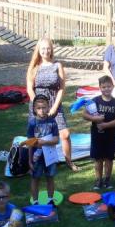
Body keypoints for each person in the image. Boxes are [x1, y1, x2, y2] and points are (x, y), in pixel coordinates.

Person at [27, 37, 79, 171]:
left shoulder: (57, 65)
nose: (46, 51)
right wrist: (38, 107)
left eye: (48, 48)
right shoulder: (34, 67)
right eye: (43, 48)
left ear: (51, 49)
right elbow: (29, 88)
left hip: (54, 101)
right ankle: (33, 162)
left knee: (65, 134)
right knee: (36, 135)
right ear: (38, 50)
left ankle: (69, 161)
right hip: (38, 104)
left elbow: (62, 88)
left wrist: (55, 106)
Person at [84, 76, 115, 190]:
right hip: (97, 136)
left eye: (109, 86)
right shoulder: (95, 101)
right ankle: (98, 180)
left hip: (111, 136)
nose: (106, 89)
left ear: (113, 86)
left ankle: (107, 180)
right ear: (100, 88)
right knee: (98, 159)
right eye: (104, 87)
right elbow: (85, 114)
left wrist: (105, 125)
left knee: (109, 159)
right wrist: (95, 119)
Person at [28, 95, 60, 206]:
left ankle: (50, 200)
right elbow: (30, 143)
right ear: (34, 109)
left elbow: (56, 140)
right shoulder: (32, 123)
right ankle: (35, 201)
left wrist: (44, 142)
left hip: (50, 156)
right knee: (35, 178)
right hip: (36, 158)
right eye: (38, 108)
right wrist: (29, 161)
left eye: (44, 107)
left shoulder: (52, 122)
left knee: (50, 177)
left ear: (48, 107)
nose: (41, 110)